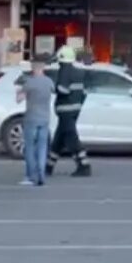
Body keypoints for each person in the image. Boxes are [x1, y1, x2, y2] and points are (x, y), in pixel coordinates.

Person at [48, 45, 92, 178]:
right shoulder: (79, 72)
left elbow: (63, 89)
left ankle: (84, 166)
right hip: (74, 110)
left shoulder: (64, 71)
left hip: (65, 110)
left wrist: (52, 88)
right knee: (58, 140)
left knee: (72, 140)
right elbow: (84, 92)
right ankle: (48, 166)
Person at [15, 57, 55, 186]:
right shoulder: (49, 82)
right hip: (45, 118)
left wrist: (19, 92)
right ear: (43, 68)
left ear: (33, 68)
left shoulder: (29, 83)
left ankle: (31, 176)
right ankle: (41, 174)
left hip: (31, 118)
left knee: (30, 147)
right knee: (42, 147)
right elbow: (53, 91)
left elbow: (19, 99)